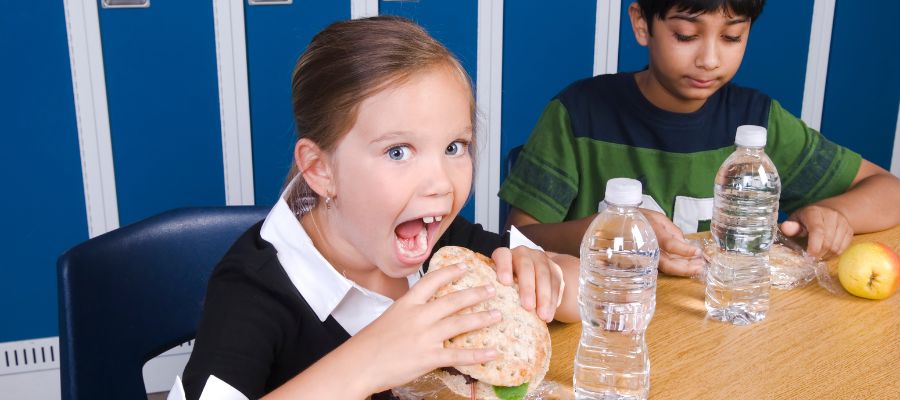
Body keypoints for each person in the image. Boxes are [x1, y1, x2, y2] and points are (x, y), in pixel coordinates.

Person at [179, 16, 579, 400]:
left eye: (454, 147)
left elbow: (587, 290)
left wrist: (547, 275)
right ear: (321, 171)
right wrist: (370, 359)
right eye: (398, 151)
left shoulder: (443, 245)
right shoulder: (254, 290)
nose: (441, 183)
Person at [499, 0, 900, 277]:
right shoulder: (578, 114)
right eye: (686, 35)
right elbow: (519, 239)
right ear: (642, 24)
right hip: (611, 324)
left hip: (724, 328)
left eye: (731, 37)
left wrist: (837, 215)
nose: (709, 59)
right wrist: (608, 234)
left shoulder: (758, 123)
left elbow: (889, 190)